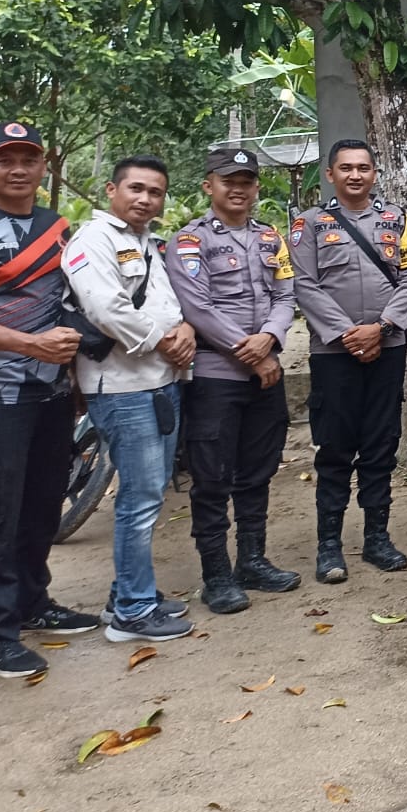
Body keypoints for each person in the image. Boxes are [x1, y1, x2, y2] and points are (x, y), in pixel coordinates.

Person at [0, 123, 89, 680]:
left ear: (43, 164)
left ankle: (33, 602)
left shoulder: (55, 227)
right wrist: (28, 343)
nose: (17, 168)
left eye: (28, 158)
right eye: (4, 158)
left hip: (50, 391)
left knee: (41, 501)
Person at [64, 155, 196, 643]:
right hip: (121, 387)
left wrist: (183, 329)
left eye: (155, 192)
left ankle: (129, 592)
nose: (145, 199)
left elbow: (167, 303)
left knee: (151, 491)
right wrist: (166, 339)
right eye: (136, 189)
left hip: (158, 382)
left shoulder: (143, 242)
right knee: (138, 501)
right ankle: (133, 614)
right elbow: (105, 308)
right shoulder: (92, 241)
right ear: (111, 190)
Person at [168, 147, 300, 617]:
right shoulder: (189, 241)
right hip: (215, 377)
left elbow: (286, 293)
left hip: (266, 371)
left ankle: (252, 560)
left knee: (258, 471)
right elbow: (197, 307)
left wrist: (269, 337)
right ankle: (216, 575)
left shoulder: (270, 238)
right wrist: (250, 352)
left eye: (246, 180)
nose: (238, 187)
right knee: (211, 477)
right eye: (228, 180)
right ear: (209, 186)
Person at [291, 139, 407, 585]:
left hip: (386, 348)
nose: (355, 175)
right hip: (334, 352)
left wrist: (382, 327)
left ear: (374, 173)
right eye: (345, 168)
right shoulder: (308, 224)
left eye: (363, 168)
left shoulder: (398, 220)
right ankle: (329, 544)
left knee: (380, 442)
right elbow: (305, 285)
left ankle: (377, 538)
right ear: (329, 174)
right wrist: (348, 334)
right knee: (334, 447)